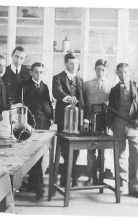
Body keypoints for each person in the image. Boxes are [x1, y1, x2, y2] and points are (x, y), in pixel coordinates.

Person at [107, 63, 138, 199]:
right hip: (119, 124)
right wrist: (111, 125)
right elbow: (110, 109)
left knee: (137, 155)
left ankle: (134, 188)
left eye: (125, 72)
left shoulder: (137, 87)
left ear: (129, 72)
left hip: (134, 125)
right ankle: (121, 185)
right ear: (116, 73)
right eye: (120, 72)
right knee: (120, 155)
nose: (123, 75)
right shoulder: (114, 90)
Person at [52, 53, 85, 187]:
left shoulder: (80, 80)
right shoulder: (58, 78)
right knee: (65, 150)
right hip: (63, 119)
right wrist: (67, 98)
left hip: (77, 120)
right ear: (65, 64)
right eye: (71, 63)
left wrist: (85, 119)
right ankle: (67, 178)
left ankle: (71, 176)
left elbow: (83, 101)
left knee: (76, 150)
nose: (74, 66)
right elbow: (56, 91)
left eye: (76, 64)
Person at [23, 62, 54, 200]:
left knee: (40, 156)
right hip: (30, 124)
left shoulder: (45, 86)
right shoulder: (25, 86)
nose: (38, 74)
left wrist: (51, 118)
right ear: (31, 72)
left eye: (41, 72)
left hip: (44, 124)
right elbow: (23, 106)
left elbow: (47, 104)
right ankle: (39, 188)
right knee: (35, 156)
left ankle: (32, 184)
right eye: (36, 72)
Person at [83, 59, 115, 186]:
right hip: (91, 120)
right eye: (98, 69)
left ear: (106, 71)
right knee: (91, 150)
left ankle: (101, 177)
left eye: (103, 70)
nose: (100, 72)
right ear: (94, 70)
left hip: (105, 121)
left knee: (103, 150)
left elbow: (113, 105)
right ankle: (91, 177)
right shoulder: (87, 84)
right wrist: (86, 120)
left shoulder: (112, 85)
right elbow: (85, 104)